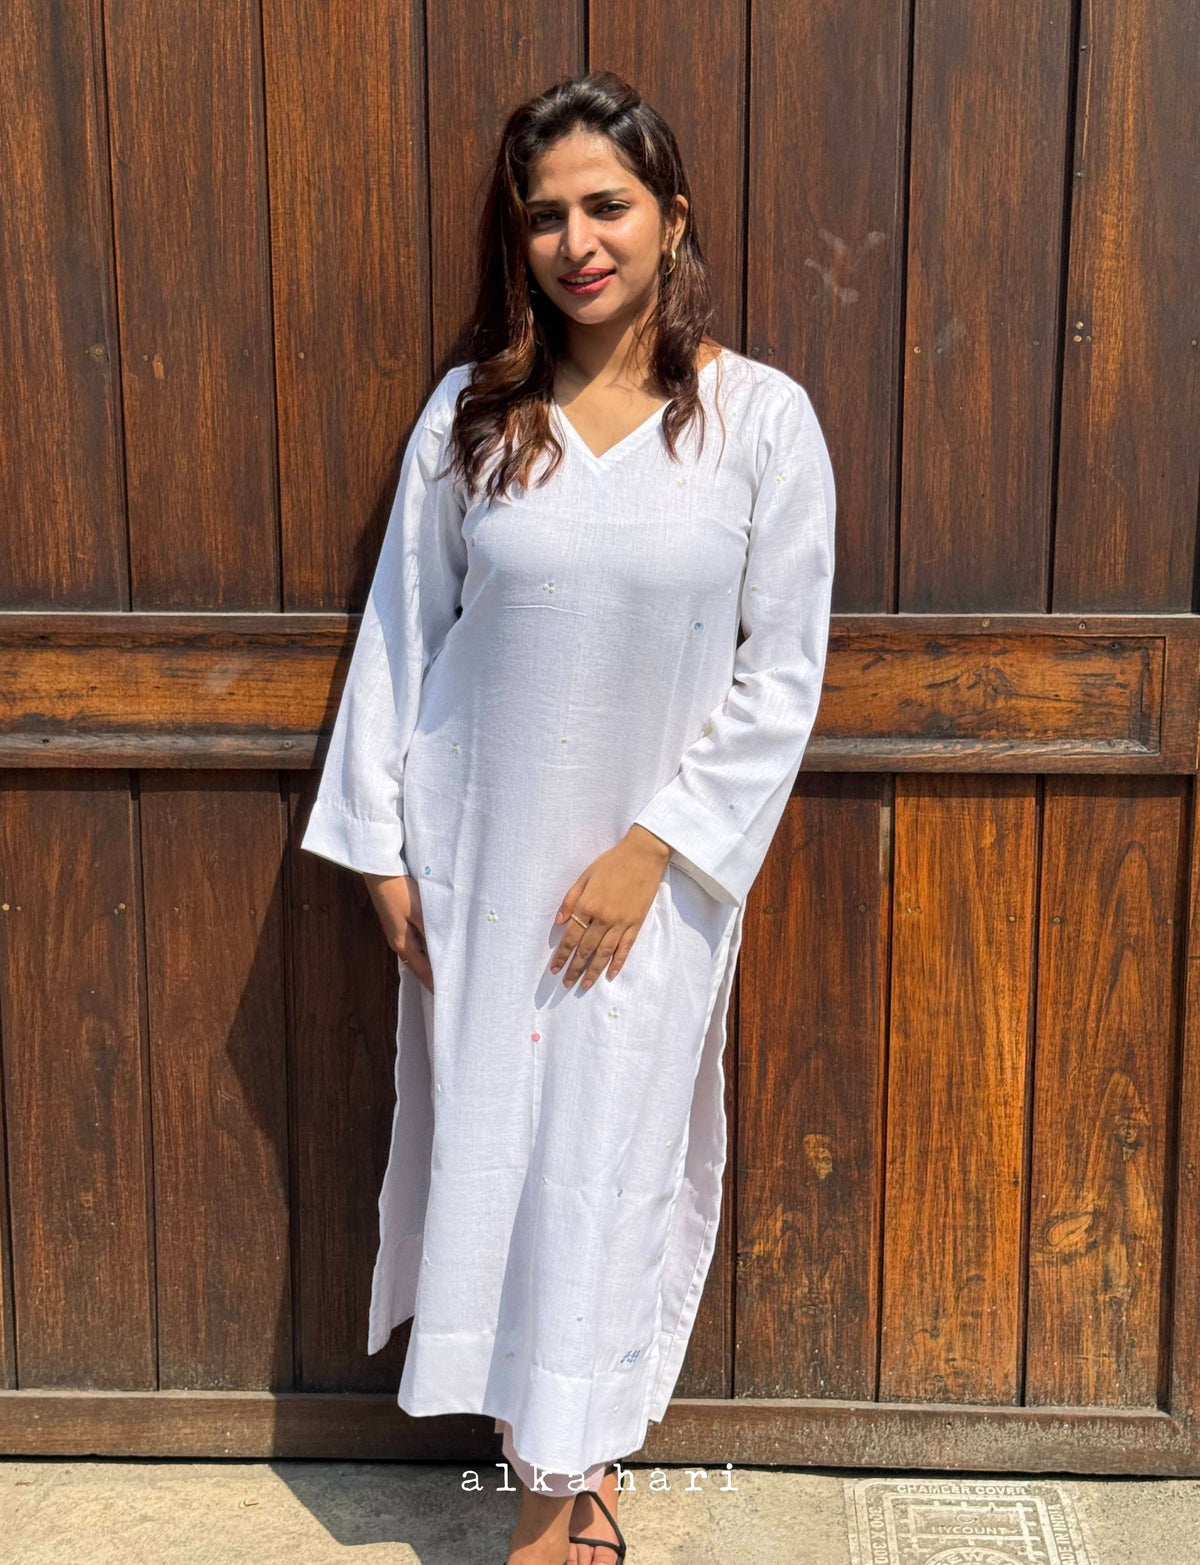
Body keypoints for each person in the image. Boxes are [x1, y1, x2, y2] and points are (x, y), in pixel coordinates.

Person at [301, 70, 836, 1565]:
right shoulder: (477, 417)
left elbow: (783, 670)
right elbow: (404, 636)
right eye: (546, 215)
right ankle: (543, 1457)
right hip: (482, 860)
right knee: (495, 1153)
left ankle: (562, 1489)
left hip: (652, 881)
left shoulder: (757, 422)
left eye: (609, 205)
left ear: (673, 216)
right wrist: (384, 852)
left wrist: (653, 848)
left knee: (606, 1155)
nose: (577, 242)